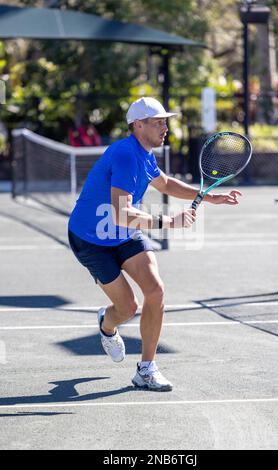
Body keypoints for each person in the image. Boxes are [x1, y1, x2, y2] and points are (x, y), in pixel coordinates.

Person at [68, 97, 241, 392]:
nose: (165, 127)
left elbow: (165, 184)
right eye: (158, 122)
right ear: (137, 126)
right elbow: (122, 213)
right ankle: (107, 326)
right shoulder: (124, 154)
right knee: (127, 308)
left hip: (124, 235)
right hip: (91, 239)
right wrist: (169, 222)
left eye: (165, 121)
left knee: (156, 290)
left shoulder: (145, 154)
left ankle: (146, 369)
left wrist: (211, 197)